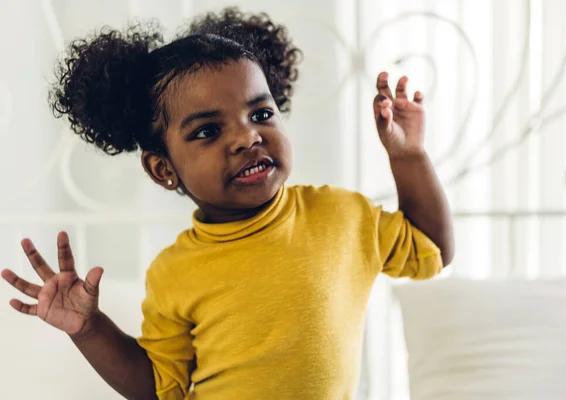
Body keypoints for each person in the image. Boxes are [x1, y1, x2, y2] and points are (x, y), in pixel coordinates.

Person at [1, 7, 454, 400]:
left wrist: (408, 156)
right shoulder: (175, 272)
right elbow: (160, 386)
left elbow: (430, 250)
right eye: (207, 131)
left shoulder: (342, 215)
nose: (246, 136)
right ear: (163, 169)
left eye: (260, 114)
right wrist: (90, 328)